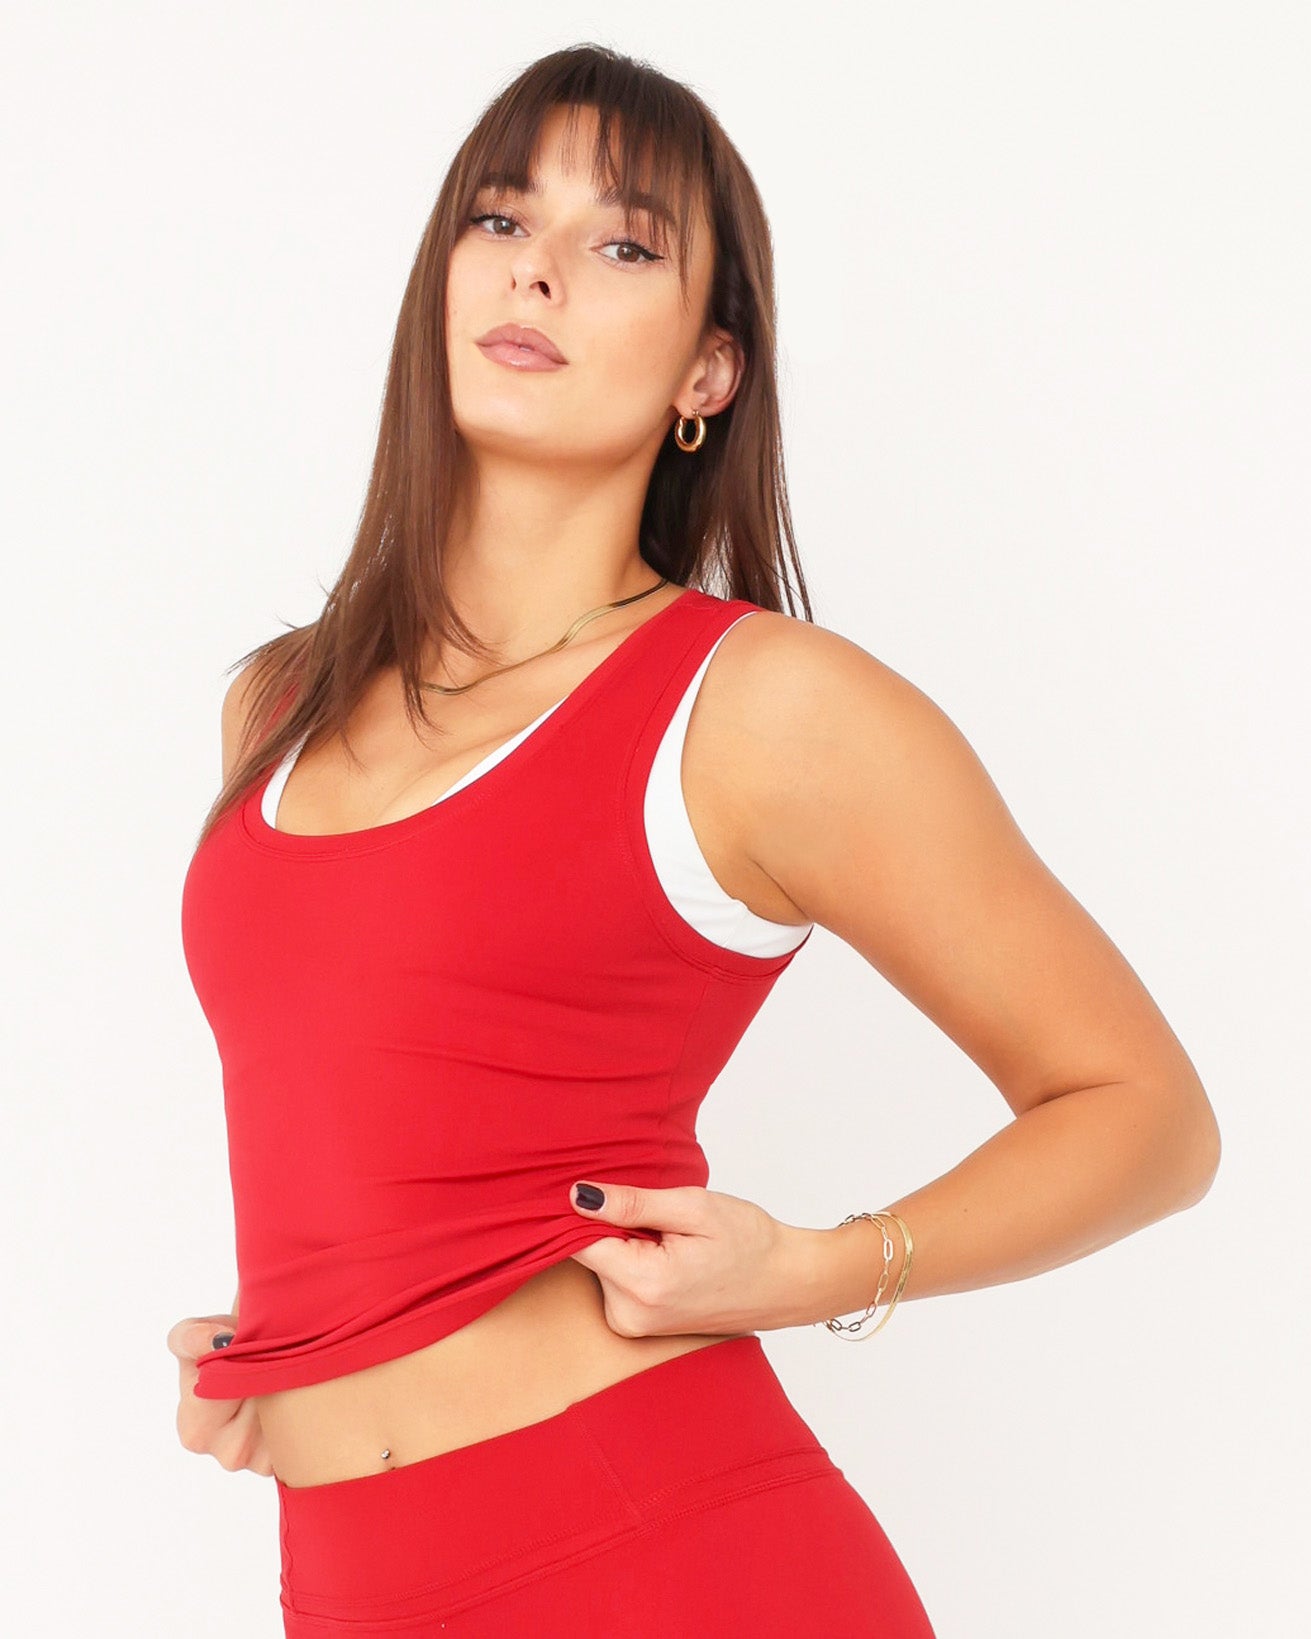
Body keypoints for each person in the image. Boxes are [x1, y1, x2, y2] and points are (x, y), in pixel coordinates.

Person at [167, 43, 1221, 1637]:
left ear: (707, 374)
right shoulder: (280, 705)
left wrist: (821, 1268)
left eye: (621, 245)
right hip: (350, 1588)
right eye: (499, 217)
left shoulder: (759, 709)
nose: (536, 268)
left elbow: (1149, 1115)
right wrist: (295, 1348)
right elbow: (381, 1112)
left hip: (663, 1560)